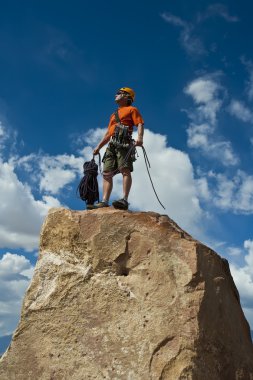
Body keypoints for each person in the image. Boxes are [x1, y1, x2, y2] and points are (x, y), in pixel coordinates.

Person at [92, 87, 144, 210]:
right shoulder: (113, 115)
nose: (116, 95)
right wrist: (98, 147)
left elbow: (140, 123)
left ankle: (124, 199)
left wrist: (140, 138)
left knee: (124, 169)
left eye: (119, 93)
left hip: (124, 143)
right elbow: (108, 134)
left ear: (127, 97)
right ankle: (105, 201)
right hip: (112, 144)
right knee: (106, 173)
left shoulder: (132, 109)